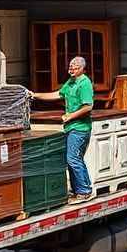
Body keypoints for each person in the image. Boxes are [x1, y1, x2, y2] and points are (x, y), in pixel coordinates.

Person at [30, 56, 94, 204]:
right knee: (71, 158)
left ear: (83, 69)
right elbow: (58, 94)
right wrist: (36, 95)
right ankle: (78, 190)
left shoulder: (84, 83)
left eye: (75, 66)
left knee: (73, 158)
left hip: (80, 128)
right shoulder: (71, 82)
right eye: (70, 66)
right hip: (70, 127)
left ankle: (84, 190)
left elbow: (88, 106)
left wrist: (71, 116)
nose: (72, 69)